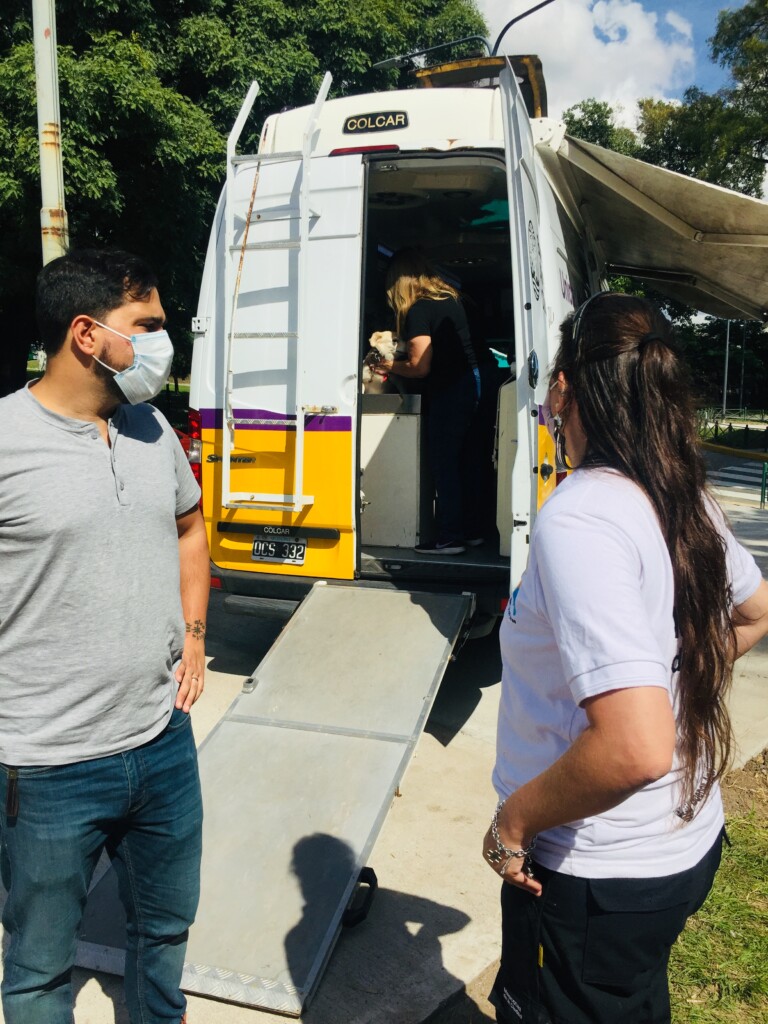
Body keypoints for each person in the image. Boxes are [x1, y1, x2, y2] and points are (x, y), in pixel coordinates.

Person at [483, 292, 768, 1024]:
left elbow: (635, 748)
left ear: (566, 390)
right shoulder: (678, 491)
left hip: (596, 874)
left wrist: (514, 823)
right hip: (677, 845)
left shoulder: (582, 517)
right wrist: (677, 678)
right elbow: (755, 611)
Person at [0, 249, 210, 1024]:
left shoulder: (149, 426)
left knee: (164, 937)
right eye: (146, 326)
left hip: (161, 742)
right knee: (38, 971)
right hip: (46, 764)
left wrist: (194, 636)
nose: (162, 343)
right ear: (86, 334)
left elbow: (191, 527)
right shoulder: (5, 440)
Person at [375, 247, 498, 555]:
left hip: (455, 387)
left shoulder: (419, 310)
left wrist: (387, 365)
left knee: (445, 461)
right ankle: (472, 530)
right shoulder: (453, 298)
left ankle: (449, 536)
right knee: (472, 457)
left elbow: (419, 366)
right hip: (482, 380)